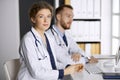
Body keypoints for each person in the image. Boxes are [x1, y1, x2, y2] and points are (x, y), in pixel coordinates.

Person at [16, 1, 83, 80]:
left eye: (48, 16)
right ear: (33, 19)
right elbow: (36, 72)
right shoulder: (28, 40)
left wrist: (69, 67)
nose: (46, 20)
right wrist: (64, 72)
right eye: (41, 16)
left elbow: (52, 63)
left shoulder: (49, 37)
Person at [46, 4, 98, 69]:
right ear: (58, 17)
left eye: (72, 17)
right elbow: (64, 60)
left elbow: (79, 50)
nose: (71, 20)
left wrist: (78, 54)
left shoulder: (67, 35)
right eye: (68, 16)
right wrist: (87, 60)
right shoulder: (49, 36)